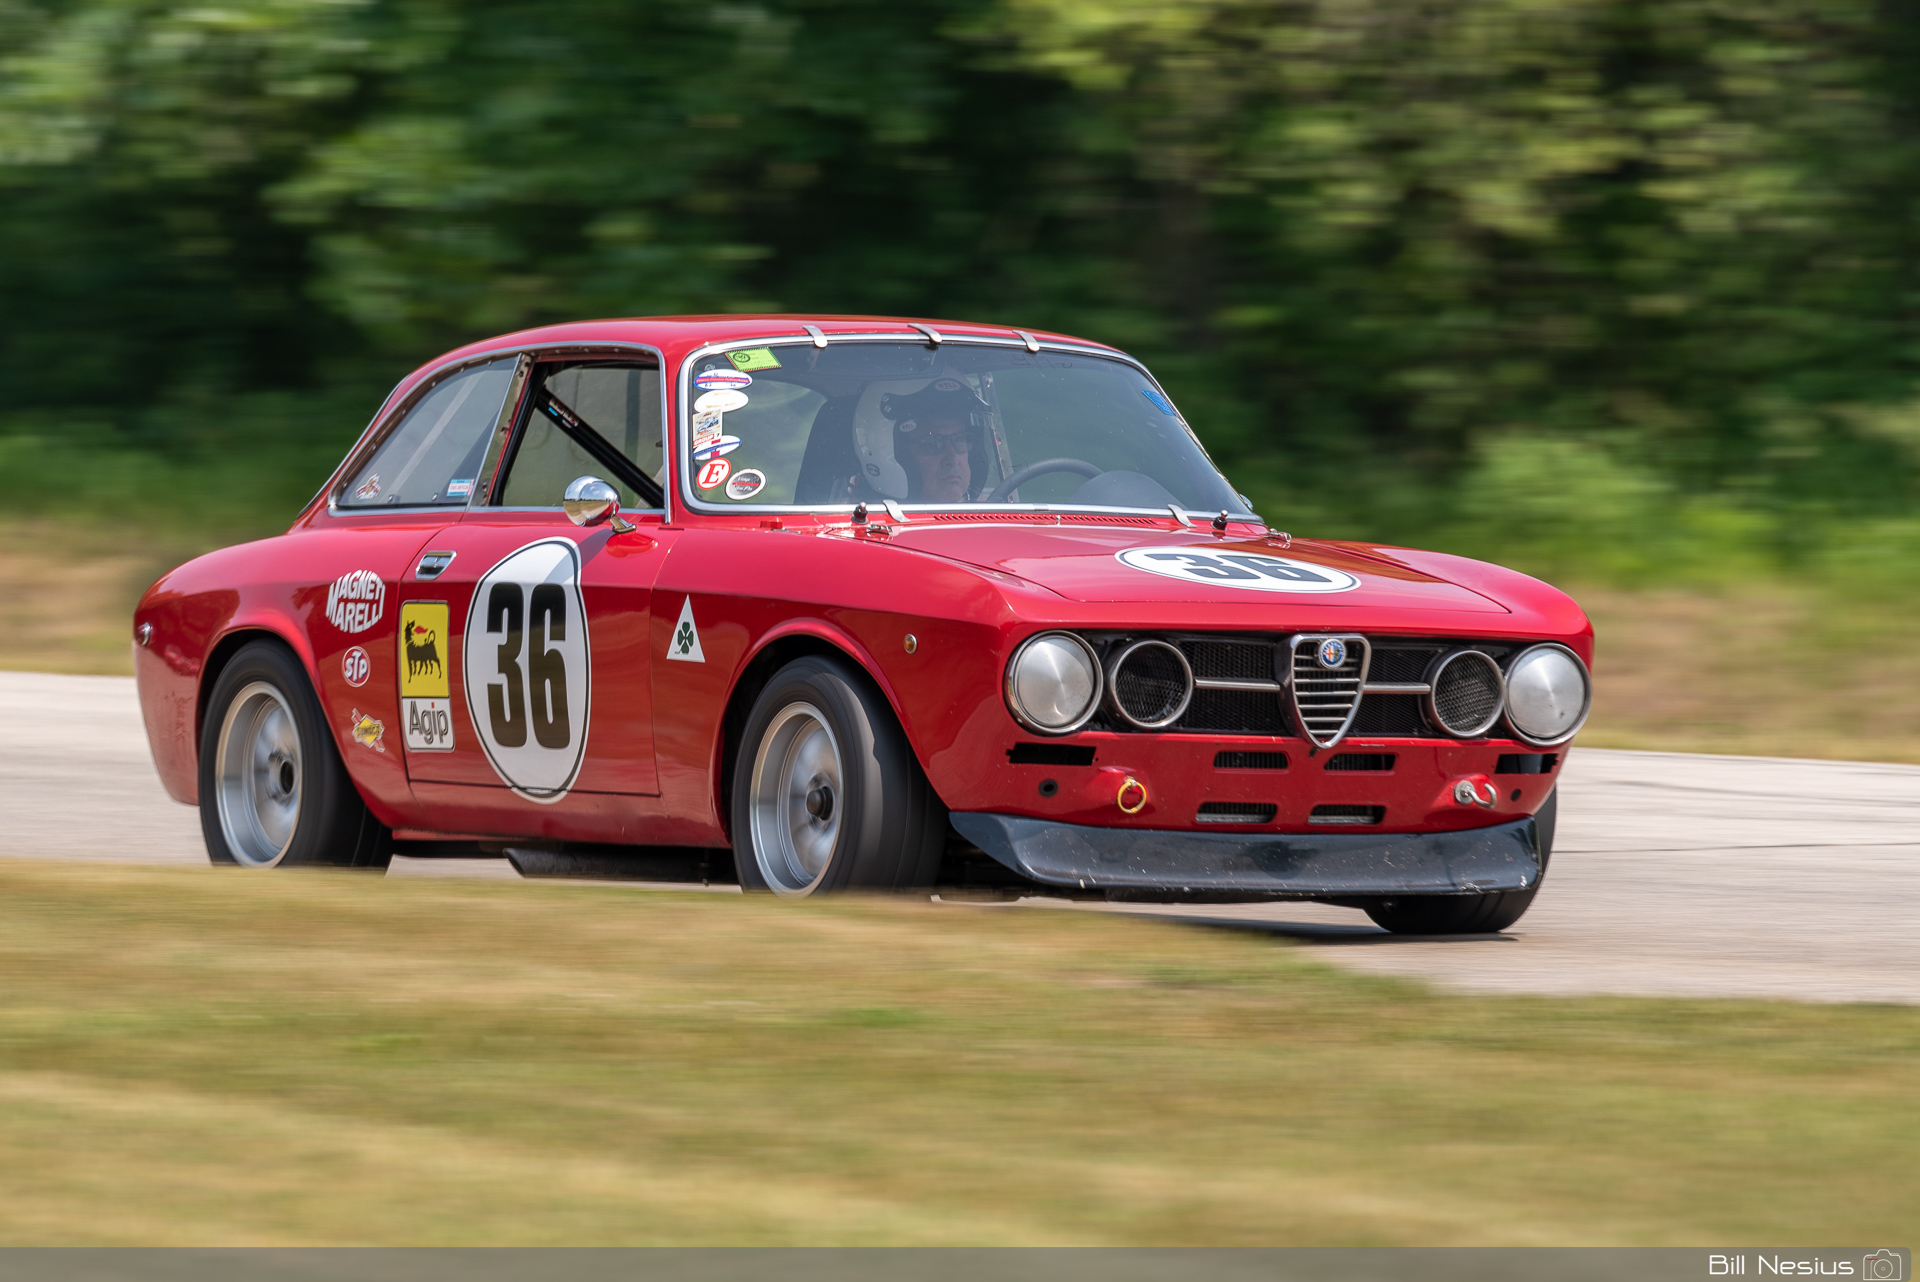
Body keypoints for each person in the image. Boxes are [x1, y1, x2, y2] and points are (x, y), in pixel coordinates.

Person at [878, 378, 992, 503]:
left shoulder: (992, 517)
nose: (953, 460)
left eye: (960, 440)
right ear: (899, 455)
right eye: (931, 443)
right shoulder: (865, 520)